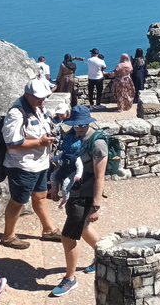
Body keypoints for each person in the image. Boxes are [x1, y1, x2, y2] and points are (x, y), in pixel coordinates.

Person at [51, 106, 108, 297]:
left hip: (85, 196)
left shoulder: (97, 143)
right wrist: (56, 186)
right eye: (76, 125)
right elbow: (65, 164)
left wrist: (96, 206)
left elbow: (100, 177)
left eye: (83, 124)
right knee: (83, 228)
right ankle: (105, 258)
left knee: (68, 236)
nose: (80, 128)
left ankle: (70, 279)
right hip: (73, 193)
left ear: (89, 122)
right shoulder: (70, 136)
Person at [1, 79, 61, 250]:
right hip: (22, 166)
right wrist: (40, 143)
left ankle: (48, 230)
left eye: (44, 97)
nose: (43, 101)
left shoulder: (37, 107)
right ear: (27, 95)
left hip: (40, 163)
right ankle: (8, 236)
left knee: (41, 196)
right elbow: (12, 143)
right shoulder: (16, 113)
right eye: (39, 97)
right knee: (18, 200)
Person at [49, 131, 83, 209]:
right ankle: (54, 187)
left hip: (71, 173)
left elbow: (80, 167)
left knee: (65, 186)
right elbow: (58, 157)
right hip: (62, 170)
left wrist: (78, 175)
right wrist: (52, 159)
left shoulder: (76, 158)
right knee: (53, 175)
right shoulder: (63, 154)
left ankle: (65, 199)